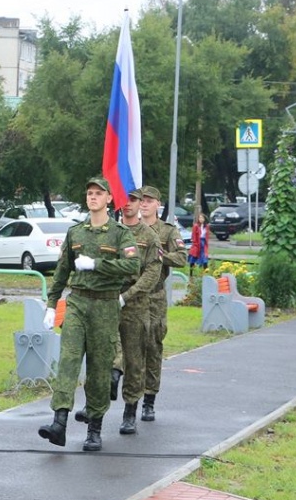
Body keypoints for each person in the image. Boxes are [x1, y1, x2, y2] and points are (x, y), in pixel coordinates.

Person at [38, 177, 139, 452]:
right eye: (90, 193)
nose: (93, 197)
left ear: (109, 199)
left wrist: (97, 264)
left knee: (98, 368)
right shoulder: (76, 233)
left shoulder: (120, 233)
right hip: (78, 303)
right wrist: (51, 304)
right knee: (68, 360)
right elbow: (62, 271)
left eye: (98, 193)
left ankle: (94, 428)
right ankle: (59, 422)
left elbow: (133, 265)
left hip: (105, 306)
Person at [84, 188, 163, 436]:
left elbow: (152, 274)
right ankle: (94, 413)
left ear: (140, 204)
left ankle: (130, 411)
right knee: (101, 354)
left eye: (133, 200)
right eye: (124, 199)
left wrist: (127, 296)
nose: (128, 204)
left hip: (135, 304)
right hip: (106, 299)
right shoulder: (110, 232)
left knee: (135, 359)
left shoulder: (149, 236)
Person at [137, 186, 188, 422]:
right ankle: (130, 398)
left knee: (153, 346)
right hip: (131, 295)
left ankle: (149, 399)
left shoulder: (167, 231)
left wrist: (159, 256)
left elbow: (181, 258)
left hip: (155, 297)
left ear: (158, 204)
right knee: (128, 347)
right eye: (142, 200)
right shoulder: (129, 229)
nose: (144, 204)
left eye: (149, 201)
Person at [189, 212, 210, 279]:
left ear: (204, 219)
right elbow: (193, 236)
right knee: (193, 258)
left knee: (204, 258)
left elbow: (207, 236)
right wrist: (195, 243)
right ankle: (191, 274)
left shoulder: (206, 226)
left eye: (202, 218)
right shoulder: (196, 226)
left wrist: (206, 244)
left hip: (203, 243)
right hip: (197, 243)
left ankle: (206, 274)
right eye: (200, 218)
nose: (201, 219)